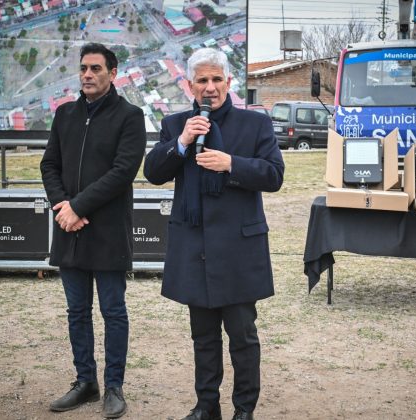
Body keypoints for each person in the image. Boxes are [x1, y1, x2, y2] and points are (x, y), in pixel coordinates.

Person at [143, 48, 284, 420]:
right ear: (190, 85)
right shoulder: (176, 124)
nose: (209, 88)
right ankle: (207, 407)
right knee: (203, 338)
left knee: (243, 337)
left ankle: (243, 411)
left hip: (239, 249)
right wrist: (183, 143)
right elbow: (153, 172)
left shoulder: (256, 125)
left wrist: (231, 164)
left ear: (229, 82)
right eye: (202, 81)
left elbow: (274, 176)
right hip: (194, 248)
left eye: (216, 79)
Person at [40, 43, 146, 418]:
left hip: (108, 233)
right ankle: (86, 381)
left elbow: (123, 171)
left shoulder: (131, 116)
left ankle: (114, 387)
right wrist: (63, 206)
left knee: (113, 311)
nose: (87, 74)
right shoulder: (64, 114)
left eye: (96, 69)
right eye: (83, 68)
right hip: (69, 229)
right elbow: (49, 165)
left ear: (113, 73)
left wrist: (78, 207)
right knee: (76, 311)